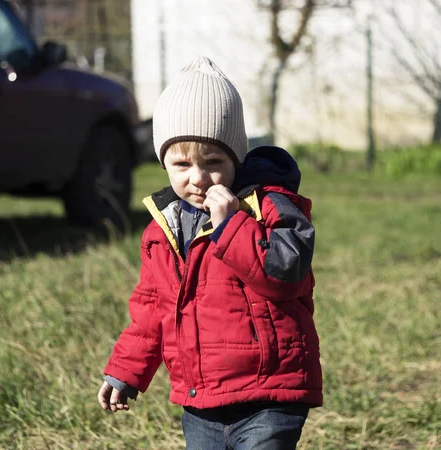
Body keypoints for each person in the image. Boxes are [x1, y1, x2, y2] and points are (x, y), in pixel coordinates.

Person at [97, 56, 322, 450]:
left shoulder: (269, 205)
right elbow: (152, 309)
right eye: (181, 163)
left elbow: (288, 273)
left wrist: (231, 226)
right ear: (162, 161)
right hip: (201, 402)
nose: (198, 178)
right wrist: (126, 372)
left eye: (214, 162)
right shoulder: (161, 229)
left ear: (237, 157)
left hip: (269, 393)